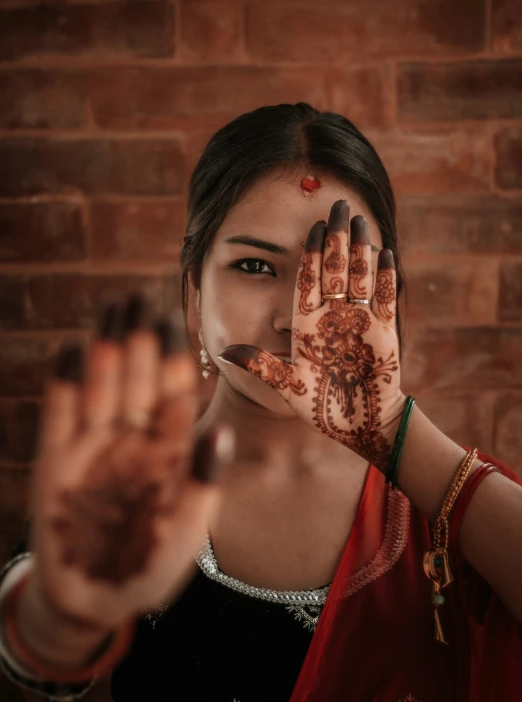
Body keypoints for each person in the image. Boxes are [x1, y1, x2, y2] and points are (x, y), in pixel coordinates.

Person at [0, 103, 521, 702]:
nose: (293, 319)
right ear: (194, 292)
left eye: (334, 274)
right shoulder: (128, 497)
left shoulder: (449, 508)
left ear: (388, 298)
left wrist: (389, 427)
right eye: (254, 266)